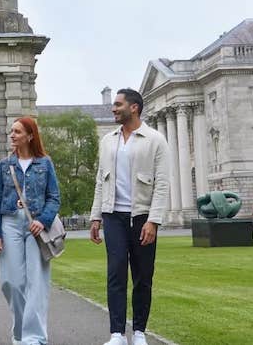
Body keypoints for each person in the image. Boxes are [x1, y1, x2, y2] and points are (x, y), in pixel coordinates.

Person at [90, 89, 171, 345]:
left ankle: (138, 332)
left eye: (118, 105)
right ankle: (116, 333)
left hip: (142, 216)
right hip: (113, 214)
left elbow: (162, 183)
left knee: (143, 275)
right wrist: (96, 217)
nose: (113, 109)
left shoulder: (155, 140)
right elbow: (100, 181)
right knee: (115, 273)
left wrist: (154, 220)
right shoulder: (108, 141)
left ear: (133, 107)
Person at [0, 117, 61, 345]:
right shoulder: (5, 164)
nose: (12, 135)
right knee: (11, 281)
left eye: (17, 131)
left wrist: (43, 220)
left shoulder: (45, 163)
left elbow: (54, 197)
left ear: (30, 136)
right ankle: (20, 332)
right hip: (10, 222)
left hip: (36, 226)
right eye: (11, 131)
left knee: (36, 282)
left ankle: (34, 338)